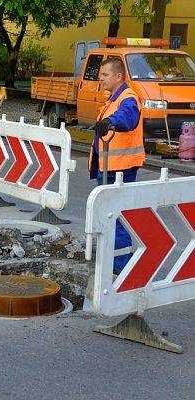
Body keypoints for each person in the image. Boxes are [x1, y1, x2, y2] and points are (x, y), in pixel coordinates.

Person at [89, 57, 145, 274]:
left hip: (120, 169)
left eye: (105, 75)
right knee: (109, 218)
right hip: (109, 167)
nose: (100, 79)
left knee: (117, 219)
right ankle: (114, 265)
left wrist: (111, 122)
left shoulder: (128, 98)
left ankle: (121, 271)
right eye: (101, 75)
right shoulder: (112, 99)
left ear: (118, 76)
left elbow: (127, 118)